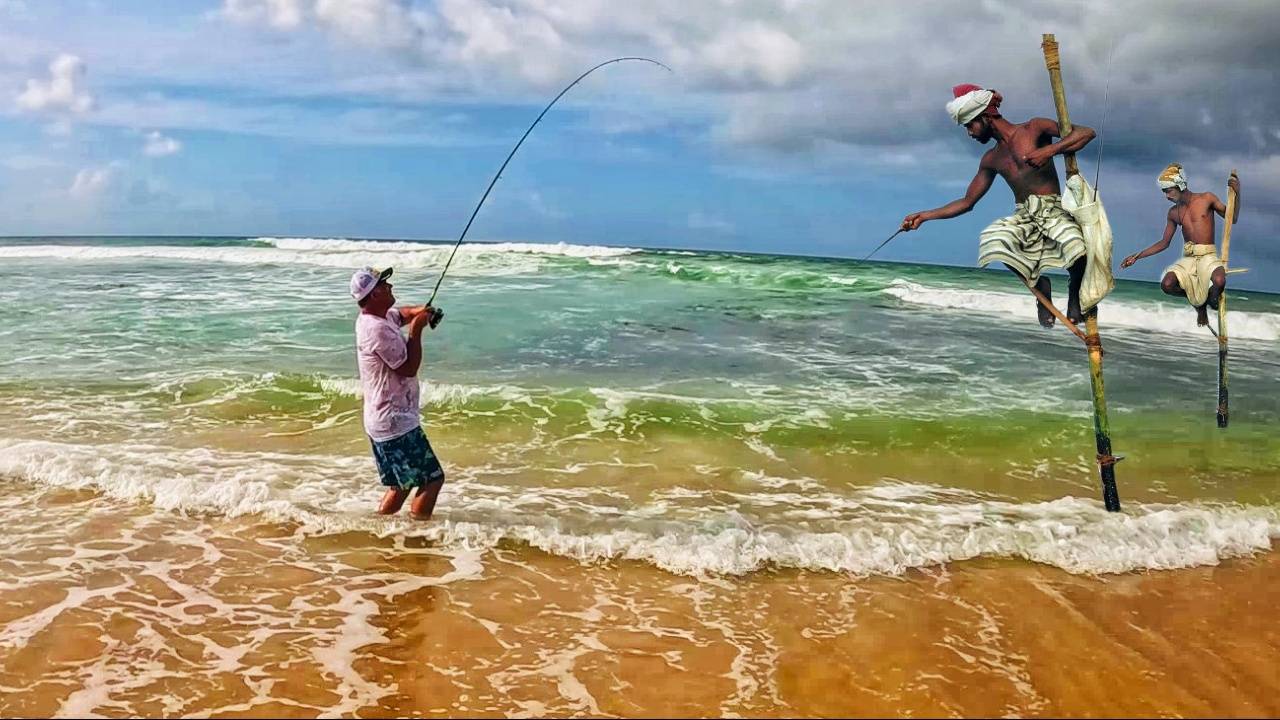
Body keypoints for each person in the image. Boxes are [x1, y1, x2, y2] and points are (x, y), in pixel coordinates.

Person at [901, 84, 1097, 327]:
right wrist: (925, 216)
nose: (970, 134)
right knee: (993, 241)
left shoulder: (1034, 128)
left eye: (970, 125)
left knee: (1077, 247)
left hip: (1053, 209)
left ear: (986, 117)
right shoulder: (991, 159)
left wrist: (1049, 151)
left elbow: (1086, 133)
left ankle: (1074, 294)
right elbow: (967, 202)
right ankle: (1040, 286)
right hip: (1024, 216)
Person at [350, 266, 445, 519]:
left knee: (402, 485)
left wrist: (419, 312)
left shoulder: (377, 318)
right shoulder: (376, 330)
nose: (390, 287)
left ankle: (380, 531)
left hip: (382, 420)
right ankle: (417, 537)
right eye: (383, 285)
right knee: (432, 479)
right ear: (373, 296)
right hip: (394, 422)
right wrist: (417, 329)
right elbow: (408, 368)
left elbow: (400, 314)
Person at [1121, 163, 1241, 326]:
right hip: (1189, 258)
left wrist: (1237, 193)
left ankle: (1209, 300)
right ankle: (1200, 306)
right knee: (1167, 285)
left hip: (1208, 255)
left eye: (1168, 191)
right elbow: (1164, 243)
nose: (1167, 196)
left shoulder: (1207, 198)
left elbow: (1231, 219)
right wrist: (1136, 256)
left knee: (1219, 281)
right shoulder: (1172, 213)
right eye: (1164, 192)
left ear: (1181, 185)